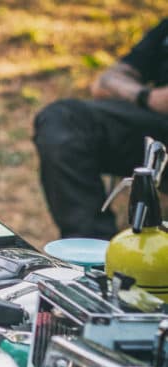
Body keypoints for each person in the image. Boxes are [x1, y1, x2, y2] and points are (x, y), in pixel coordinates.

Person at [33, 18, 168, 239]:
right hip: (152, 125)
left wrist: (136, 94)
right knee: (62, 118)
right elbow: (104, 83)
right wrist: (147, 97)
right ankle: (92, 252)